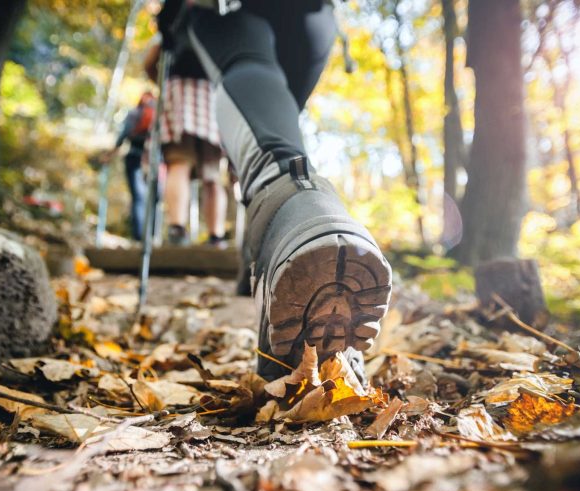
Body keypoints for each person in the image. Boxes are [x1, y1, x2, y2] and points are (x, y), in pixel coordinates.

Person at [158, 0, 393, 384]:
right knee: (271, 118)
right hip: (312, 20)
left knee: (251, 76)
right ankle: (273, 240)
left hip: (226, 12)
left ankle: (292, 210)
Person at [144, 39, 228, 247]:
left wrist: (164, 84)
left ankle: (177, 228)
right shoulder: (224, 18)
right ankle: (215, 236)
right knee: (212, 175)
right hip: (214, 97)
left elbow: (150, 61)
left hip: (178, 92)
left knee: (179, 164)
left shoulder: (177, 17)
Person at [103, 92, 155, 241]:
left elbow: (123, 136)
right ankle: (152, 235)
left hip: (134, 156)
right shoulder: (159, 113)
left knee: (138, 198)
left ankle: (139, 236)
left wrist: (109, 155)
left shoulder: (134, 113)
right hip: (154, 160)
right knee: (153, 199)